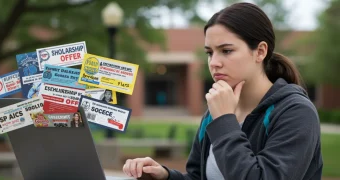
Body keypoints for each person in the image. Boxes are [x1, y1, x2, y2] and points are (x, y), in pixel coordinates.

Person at [122, 2, 323, 180]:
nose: (214, 63)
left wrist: (225, 122)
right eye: (209, 52)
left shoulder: (295, 112)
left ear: (260, 51)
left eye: (226, 51)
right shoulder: (215, 112)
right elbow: (197, 176)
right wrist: (165, 177)